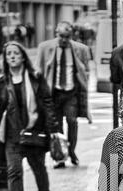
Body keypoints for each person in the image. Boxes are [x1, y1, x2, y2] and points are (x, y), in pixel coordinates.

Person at [0, 42, 59, 191]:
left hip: (33, 132)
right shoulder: (1, 83)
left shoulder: (36, 77)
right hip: (11, 135)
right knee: (14, 171)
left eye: (15, 53)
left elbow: (47, 103)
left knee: (38, 167)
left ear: (22, 56)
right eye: (8, 54)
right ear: (5, 59)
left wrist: (53, 129)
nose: (12, 56)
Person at [36, 21, 92, 169]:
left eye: (67, 37)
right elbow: (39, 71)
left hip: (71, 93)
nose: (64, 40)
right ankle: (60, 156)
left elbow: (86, 70)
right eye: (61, 36)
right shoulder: (45, 48)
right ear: (56, 34)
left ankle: (72, 151)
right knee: (57, 126)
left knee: (72, 121)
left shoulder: (80, 49)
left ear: (71, 36)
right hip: (54, 93)